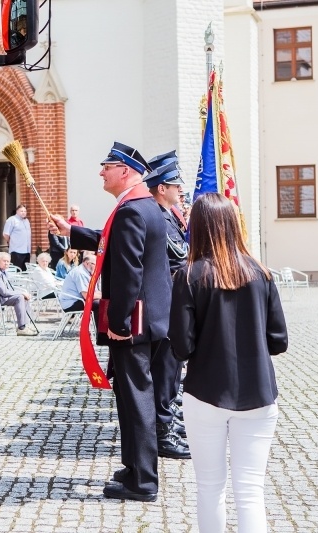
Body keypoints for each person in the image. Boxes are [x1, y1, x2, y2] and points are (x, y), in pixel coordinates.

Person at [49, 141, 171, 502]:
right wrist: (71, 231)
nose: (101, 172)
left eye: (107, 166)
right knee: (131, 396)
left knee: (136, 398)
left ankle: (143, 481)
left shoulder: (131, 210)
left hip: (133, 322)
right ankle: (133, 467)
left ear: (125, 171)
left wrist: (118, 323)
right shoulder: (142, 205)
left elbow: (129, 274)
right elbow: (110, 241)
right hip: (149, 318)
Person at [169, 192, 287, 532]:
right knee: (250, 491)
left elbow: (181, 347)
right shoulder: (261, 273)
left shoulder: (189, 276)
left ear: (198, 228)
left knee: (210, 489)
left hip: (205, 392)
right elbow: (279, 341)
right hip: (258, 392)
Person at [144, 153, 190, 460]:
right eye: (176, 186)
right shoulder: (156, 216)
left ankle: (169, 419)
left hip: (175, 303)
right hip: (165, 306)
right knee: (164, 371)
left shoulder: (169, 214)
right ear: (162, 188)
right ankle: (162, 432)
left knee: (173, 369)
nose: (180, 190)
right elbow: (178, 258)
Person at [0, 252, 37, 336]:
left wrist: (23, 294)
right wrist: (22, 293)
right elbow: (4, 292)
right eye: (4, 261)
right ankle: (21, 328)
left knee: (23, 297)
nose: (6, 263)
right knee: (19, 297)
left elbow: (7, 290)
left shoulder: (1, 270)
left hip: (0, 297)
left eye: (8, 261)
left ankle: (25, 325)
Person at [58, 254, 100, 324]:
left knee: (102, 302)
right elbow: (87, 295)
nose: (96, 267)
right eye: (95, 264)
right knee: (100, 304)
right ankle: (99, 329)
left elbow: (95, 291)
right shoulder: (80, 273)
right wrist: (103, 295)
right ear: (87, 263)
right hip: (71, 304)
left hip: (77, 300)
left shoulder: (86, 271)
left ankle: (100, 328)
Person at [3, 204, 31, 271]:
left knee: (25, 271)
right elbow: (5, 234)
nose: (23, 213)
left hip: (27, 250)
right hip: (17, 250)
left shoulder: (26, 221)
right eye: (21, 211)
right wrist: (10, 242)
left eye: (25, 211)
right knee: (17, 270)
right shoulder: (11, 220)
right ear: (17, 211)